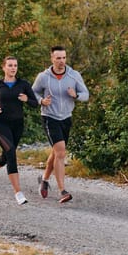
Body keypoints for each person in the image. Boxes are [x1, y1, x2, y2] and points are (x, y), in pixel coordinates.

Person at [32, 46, 89, 203]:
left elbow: (86, 95)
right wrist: (41, 101)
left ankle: (43, 180)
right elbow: (33, 93)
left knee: (57, 153)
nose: (62, 61)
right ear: (52, 58)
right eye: (58, 58)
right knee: (61, 153)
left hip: (66, 118)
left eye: (64, 57)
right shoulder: (43, 77)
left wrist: (75, 95)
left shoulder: (74, 75)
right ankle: (62, 190)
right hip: (49, 117)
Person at [0, 56, 38, 205]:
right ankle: (18, 193)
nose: (13, 68)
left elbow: (35, 103)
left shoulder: (23, 84)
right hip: (0, 124)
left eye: (15, 65)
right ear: (4, 67)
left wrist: (27, 100)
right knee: (11, 153)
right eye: (10, 65)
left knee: (6, 156)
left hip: (17, 125)